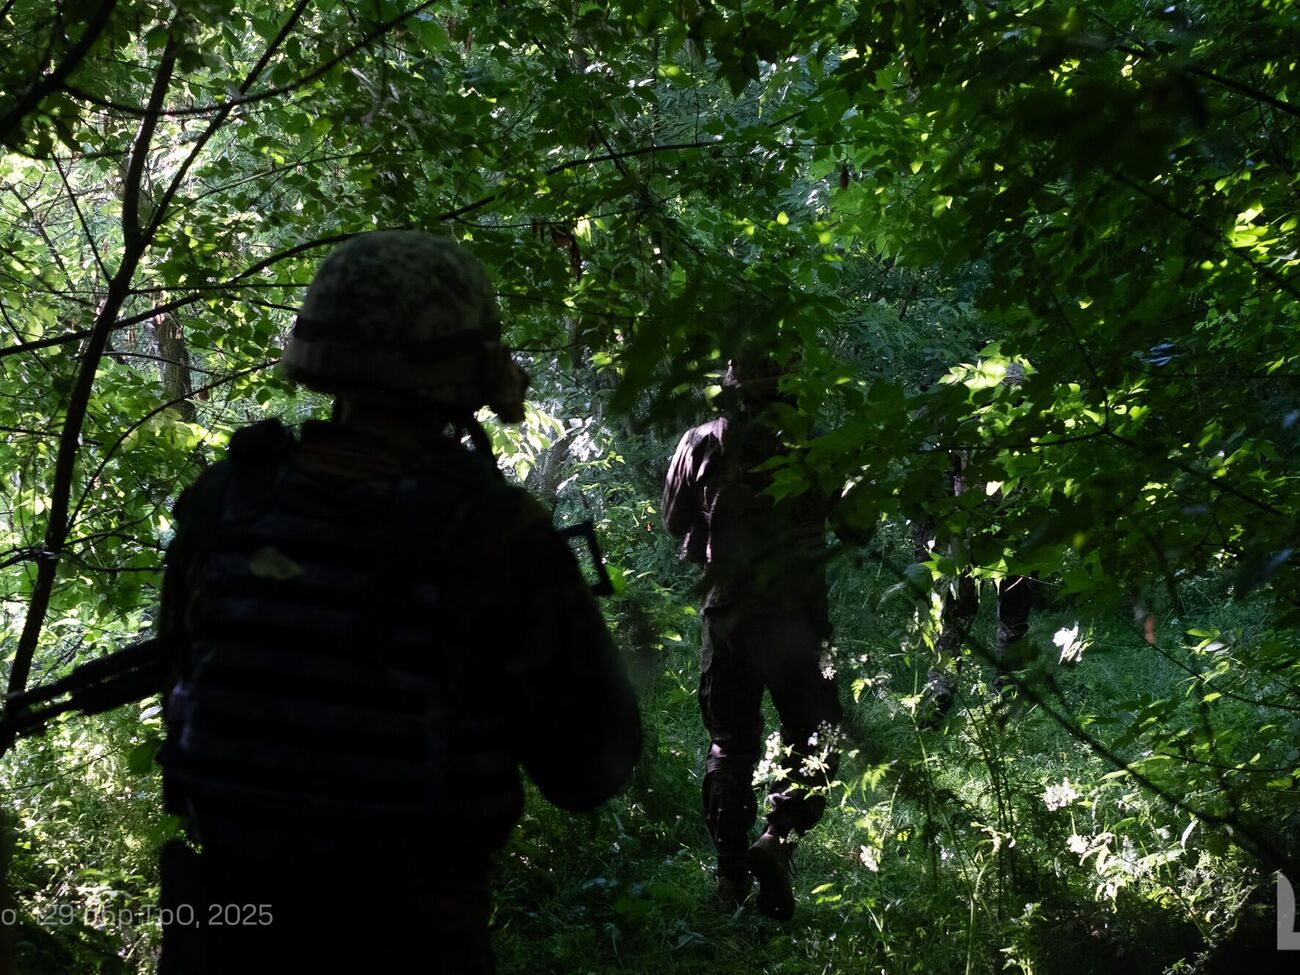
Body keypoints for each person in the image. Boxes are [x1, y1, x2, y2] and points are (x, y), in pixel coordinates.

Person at [155, 230, 641, 974]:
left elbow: (183, 684)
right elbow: (587, 768)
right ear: (468, 370)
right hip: (406, 936)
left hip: (223, 931)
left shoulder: (227, 501)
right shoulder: (490, 528)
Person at [662, 356, 842, 922]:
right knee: (818, 734)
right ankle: (779, 836)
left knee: (730, 743)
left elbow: (674, 521)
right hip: (799, 617)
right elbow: (855, 523)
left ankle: (730, 876)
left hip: (728, 616)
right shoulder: (814, 442)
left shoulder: (700, 443)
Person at [915, 360, 1035, 720]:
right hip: (983, 532)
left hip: (984, 531)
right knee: (976, 616)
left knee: (976, 616)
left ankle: (973, 692)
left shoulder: (979, 423)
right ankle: (962, 692)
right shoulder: (988, 425)